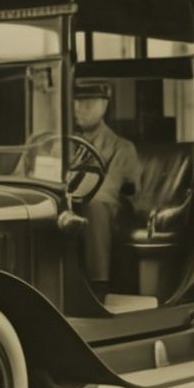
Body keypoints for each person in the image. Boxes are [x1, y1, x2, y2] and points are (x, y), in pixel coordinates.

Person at [73, 81, 140, 298]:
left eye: (88, 103)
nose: (79, 108)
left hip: (112, 213)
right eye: (76, 102)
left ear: (104, 106)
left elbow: (108, 191)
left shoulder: (122, 148)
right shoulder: (60, 144)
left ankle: (98, 286)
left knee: (94, 204)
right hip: (71, 204)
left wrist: (69, 198)